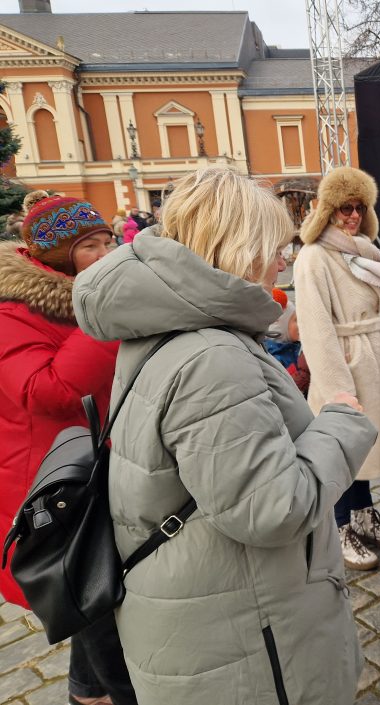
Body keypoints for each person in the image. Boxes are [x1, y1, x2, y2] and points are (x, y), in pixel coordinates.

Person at [73, 168, 377, 705]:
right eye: (276, 245)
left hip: (207, 617)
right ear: (240, 247)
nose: (283, 258)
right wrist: (341, 421)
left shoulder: (171, 325)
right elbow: (273, 508)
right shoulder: (212, 355)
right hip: (249, 646)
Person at [0, 192, 138, 705]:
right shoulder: (14, 309)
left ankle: (86, 692)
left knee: (92, 594)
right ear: (56, 257)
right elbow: (49, 391)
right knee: (91, 596)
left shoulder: (81, 296)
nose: (106, 254)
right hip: (53, 488)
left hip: (93, 470)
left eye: (108, 242)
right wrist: (105, 318)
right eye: (89, 246)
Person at [294, 166, 380, 572]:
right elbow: (316, 329)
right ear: (327, 210)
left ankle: (363, 513)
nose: (352, 216)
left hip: (370, 356)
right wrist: (338, 388)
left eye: (359, 207)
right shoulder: (314, 257)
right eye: (343, 208)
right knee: (341, 451)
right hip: (342, 364)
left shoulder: (363, 251)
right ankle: (340, 526)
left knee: (365, 451)